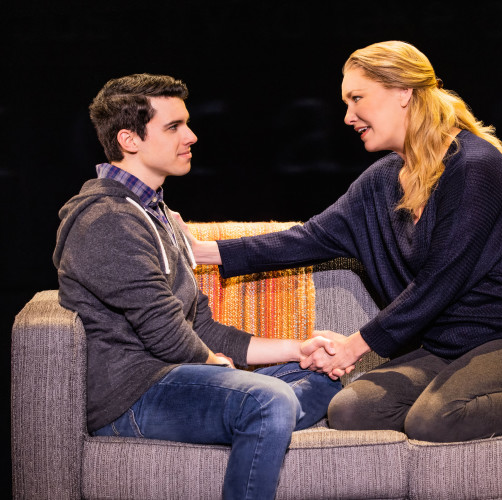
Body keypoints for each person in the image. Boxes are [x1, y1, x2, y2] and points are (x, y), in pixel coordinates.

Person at [190, 41, 502, 442]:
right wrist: (201, 249)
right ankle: (462, 397)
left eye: (357, 99)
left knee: (435, 420)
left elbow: (441, 281)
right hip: (452, 347)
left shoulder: (475, 167)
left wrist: (355, 346)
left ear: (403, 94)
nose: (348, 116)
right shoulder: (382, 181)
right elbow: (310, 237)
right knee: (352, 410)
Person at [53, 73, 342, 500]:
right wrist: (219, 367)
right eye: (173, 127)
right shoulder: (108, 220)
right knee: (268, 401)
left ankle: (262, 413)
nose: (191, 135)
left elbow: (201, 326)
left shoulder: (157, 213)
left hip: (177, 375)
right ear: (129, 140)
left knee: (325, 374)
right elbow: (165, 331)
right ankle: (264, 414)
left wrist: (298, 349)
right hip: (134, 394)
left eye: (186, 122)